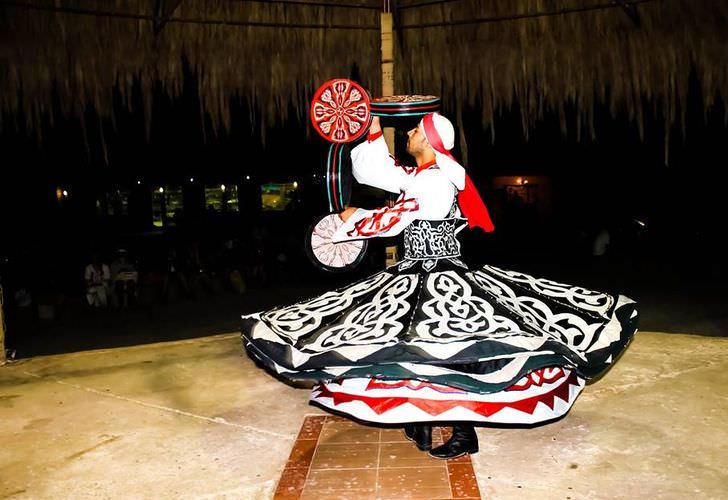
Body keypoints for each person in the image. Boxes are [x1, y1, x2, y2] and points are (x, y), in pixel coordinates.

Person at [242, 113, 639, 459]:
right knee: (415, 348)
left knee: (451, 352)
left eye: (415, 130)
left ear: (429, 141)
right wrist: (372, 132)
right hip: (413, 273)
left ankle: (463, 432)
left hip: (441, 277)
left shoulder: (436, 182)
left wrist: (353, 218)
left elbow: (399, 216)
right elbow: (376, 173)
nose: (410, 134)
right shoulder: (421, 174)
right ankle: (418, 418)